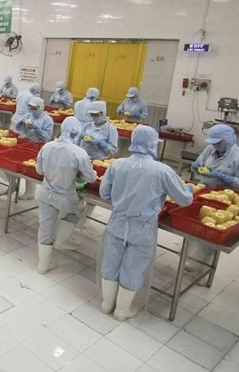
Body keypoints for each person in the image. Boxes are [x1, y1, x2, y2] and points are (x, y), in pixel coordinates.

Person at [99, 125, 192, 320]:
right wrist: (189, 190)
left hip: (117, 221)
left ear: (133, 142)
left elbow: (104, 193)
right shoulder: (162, 171)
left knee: (111, 261)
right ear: (153, 145)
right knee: (133, 266)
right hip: (142, 227)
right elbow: (184, 200)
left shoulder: (118, 164)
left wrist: (122, 199)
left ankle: (107, 304)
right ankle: (122, 310)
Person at [34, 117, 96, 273]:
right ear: (76, 133)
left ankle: (43, 265)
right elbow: (91, 178)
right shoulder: (79, 152)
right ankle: (61, 241)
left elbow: (39, 171)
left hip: (45, 192)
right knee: (75, 215)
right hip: (65, 197)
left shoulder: (47, 147)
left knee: (45, 226)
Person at [188, 124, 239, 274]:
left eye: (218, 142)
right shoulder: (210, 149)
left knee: (212, 232)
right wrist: (196, 166)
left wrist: (222, 177)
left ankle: (203, 266)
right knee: (198, 225)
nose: (215, 145)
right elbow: (199, 163)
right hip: (205, 193)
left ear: (228, 140)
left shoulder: (237, 156)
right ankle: (189, 255)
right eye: (213, 142)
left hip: (225, 200)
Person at [13, 97, 55, 200]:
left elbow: (47, 137)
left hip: (37, 146)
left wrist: (37, 128)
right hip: (25, 143)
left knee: (30, 169)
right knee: (17, 165)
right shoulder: (28, 115)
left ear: (41, 108)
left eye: (35, 108)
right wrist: (20, 123)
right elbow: (19, 129)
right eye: (31, 108)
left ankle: (30, 193)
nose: (32, 110)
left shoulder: (48, 120)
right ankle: (13, 184)